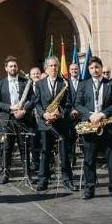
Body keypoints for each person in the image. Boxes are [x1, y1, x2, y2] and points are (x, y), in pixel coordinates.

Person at [74, 56, 112, 201]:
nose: (95, 70)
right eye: (91, 68)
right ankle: (89, 189)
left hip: (109, 127)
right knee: (89, 160)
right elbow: (78, 104)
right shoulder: (83, 85)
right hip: (90, 127)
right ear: (88, 70)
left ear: (101, 68)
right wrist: (90, 116)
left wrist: (102, 114)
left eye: (97, 67)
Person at [33, 56, 76, 192]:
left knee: (64, 153)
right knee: (45, 153)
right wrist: (44, 114)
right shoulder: (40, 84)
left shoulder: (65, 83)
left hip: (60, 123)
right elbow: (37, 103)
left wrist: (60, 112)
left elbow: (69, 102)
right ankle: (43, 180)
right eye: (51, 66)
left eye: (56, 66)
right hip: (46, 123)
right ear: (46, 68)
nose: (54, 68)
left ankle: (67, 180)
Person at [0, 56, 31, 184]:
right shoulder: (0, 83)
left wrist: (23, 110)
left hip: (21, 118)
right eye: (10, 66)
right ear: (6, 68)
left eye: (15, 66)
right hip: (7, 119)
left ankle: (27, 174)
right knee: (7, 148)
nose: (13, 68)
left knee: (23, 147)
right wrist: (10, 107)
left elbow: (32, 99)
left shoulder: (25, 81)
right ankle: (6, 174)